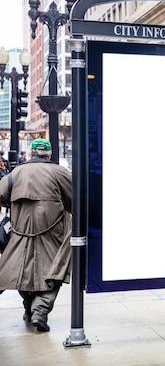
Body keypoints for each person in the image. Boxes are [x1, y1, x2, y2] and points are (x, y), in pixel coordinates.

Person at [0, 139, 72, 332]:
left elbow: (2, 197)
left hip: (20, 233)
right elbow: (75, 200)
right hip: (52, 234)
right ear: (49, 155)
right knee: (54, 272)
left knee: (21, 272)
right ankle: (39, 312)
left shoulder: (15, 173)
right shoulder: (59, 172)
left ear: (31, 154)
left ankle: (29, 309)